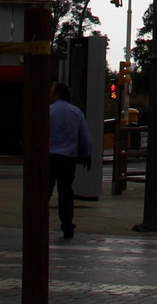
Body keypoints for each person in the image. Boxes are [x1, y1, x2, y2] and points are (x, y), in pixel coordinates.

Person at [48, 82, 92, 239]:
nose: (49, 93)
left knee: (44, 192)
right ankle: (67, 225)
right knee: (65, 193)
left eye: (51, 91)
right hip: (68, 159)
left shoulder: (47, 111)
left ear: (57, 95)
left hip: (49, 158)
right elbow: (85, 138)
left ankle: (39, 222)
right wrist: (86, 155)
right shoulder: (76, 113)